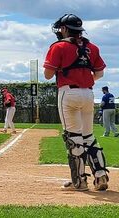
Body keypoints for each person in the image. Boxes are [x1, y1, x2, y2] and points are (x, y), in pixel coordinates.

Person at [44, 14, 109, 191]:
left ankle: (79, 181)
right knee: (89, 137)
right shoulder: (92, 47)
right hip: (88, 94)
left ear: (65, 29)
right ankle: (101, 175)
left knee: (74, 139)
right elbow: (99, 74)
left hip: (68, 93)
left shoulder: (59, 46)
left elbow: (48, 75)